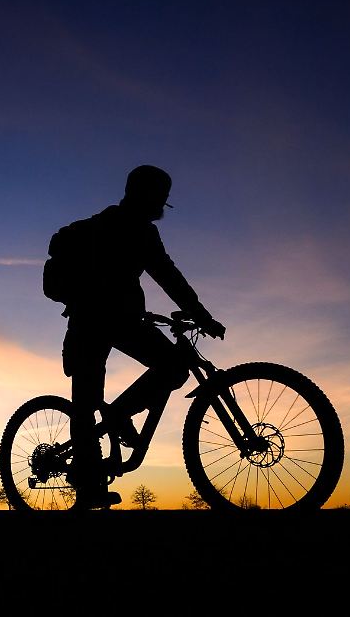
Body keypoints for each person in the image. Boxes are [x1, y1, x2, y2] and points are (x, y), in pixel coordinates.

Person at [60, 164, 225, 509]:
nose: (162, 204)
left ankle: (117, 415)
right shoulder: (114, 226)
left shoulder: (142, 231)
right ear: (143, 194)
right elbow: (166, 276)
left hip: (123, 320)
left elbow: (167, 275)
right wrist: (202, 316)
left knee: (174, 367)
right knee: (86, 403)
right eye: (160, 197)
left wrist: (200, 314)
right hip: (90, 322)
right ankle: (89, 485)